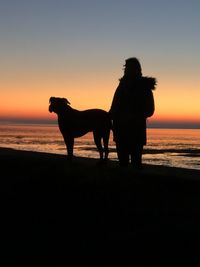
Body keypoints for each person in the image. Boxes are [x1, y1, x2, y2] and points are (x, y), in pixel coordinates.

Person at [109, 57, 156, 168]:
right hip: (120, 131)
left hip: (136, 131)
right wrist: (108, 116)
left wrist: (133, 116)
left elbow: (150, 110)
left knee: (136, 164)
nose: (126, 70)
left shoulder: (145, 86)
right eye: (126, 68)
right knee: (123, 164)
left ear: (137, 69)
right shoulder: (121, 86)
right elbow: (113, 107)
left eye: (129, 67)